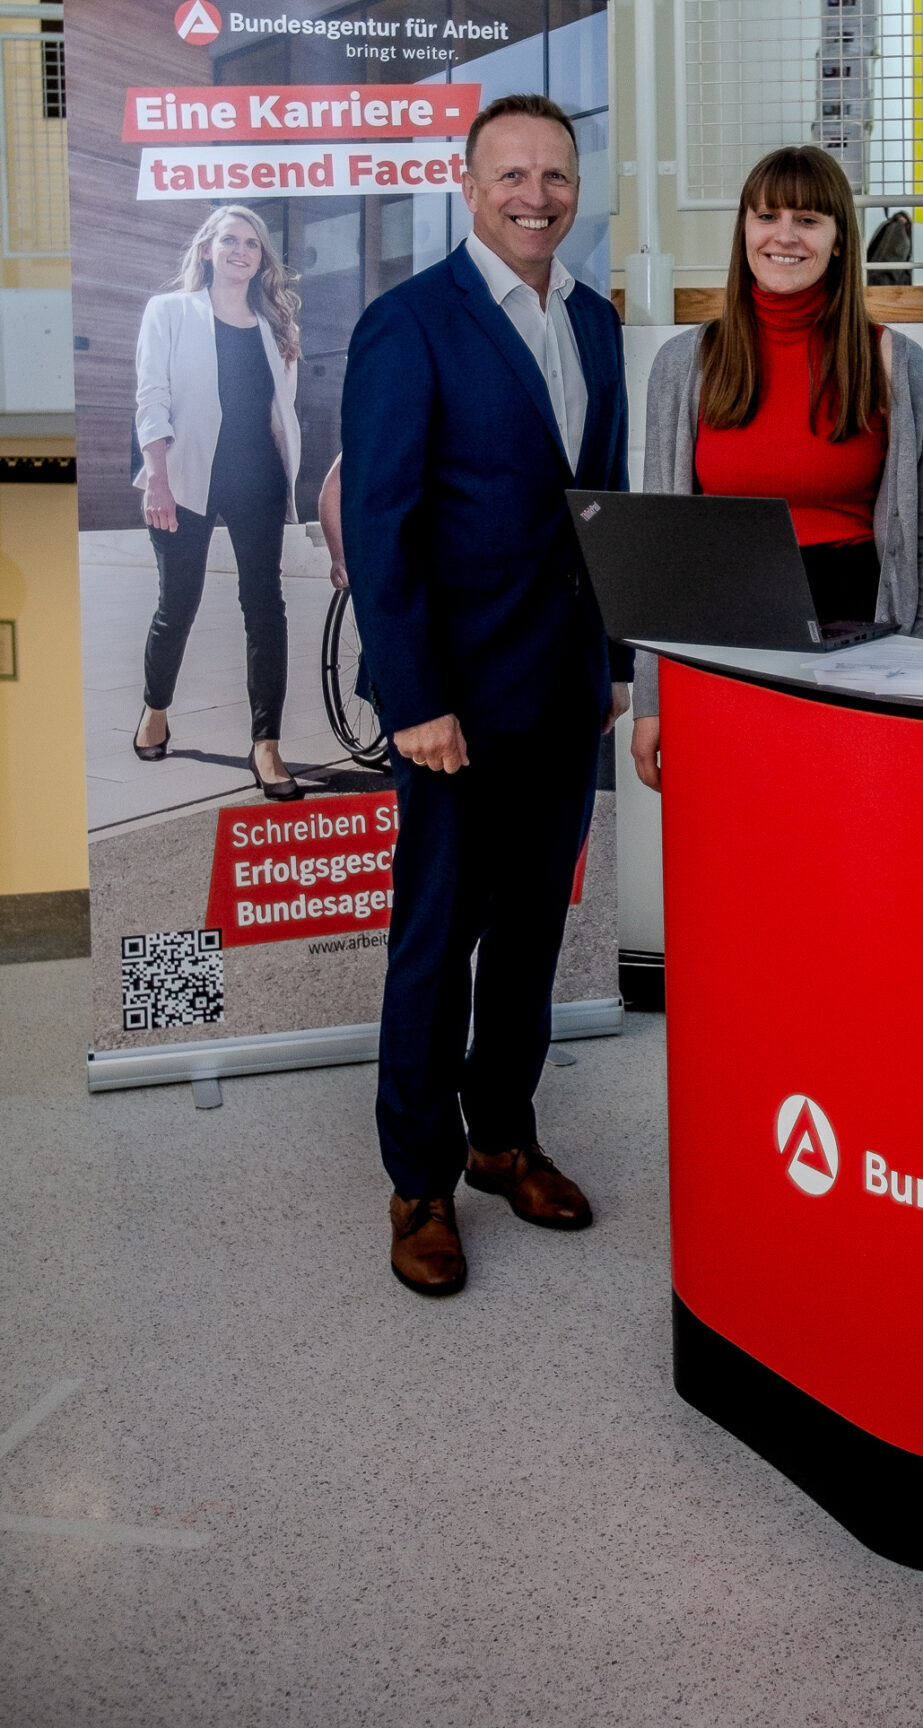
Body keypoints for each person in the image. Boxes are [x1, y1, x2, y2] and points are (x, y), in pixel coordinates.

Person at [339, 93, 630, 1299]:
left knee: (529, 938)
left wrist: (613, 664)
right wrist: (412, 697)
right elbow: (380, 523)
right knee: (436, 940)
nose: (536, 196)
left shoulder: (597, 321)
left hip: (562, 693)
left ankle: (502, 1135)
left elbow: (601, 503)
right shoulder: (410, 323)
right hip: (451, 706)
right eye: (511, 175)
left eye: (555, 176)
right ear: (468, 187)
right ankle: (419, 1178)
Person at [630, 143, 923, 792]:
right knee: (733, 844)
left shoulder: (896, 364)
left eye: (807, 219)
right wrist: (651, 698)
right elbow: (659, 554)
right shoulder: (685, 364)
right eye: (766, 216)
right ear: (743, 229)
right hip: (721, 640)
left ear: (837, 240)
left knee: (846, 838)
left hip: (860, 639)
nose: (783, 236)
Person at [132, 205, 304, 802]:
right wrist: (156, 478)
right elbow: (151, 396)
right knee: (177, 602)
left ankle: (267, 744)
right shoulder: (170, 311)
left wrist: (290, 485)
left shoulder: (274, 326)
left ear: (262, 260)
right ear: (207, 249)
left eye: (252, 244)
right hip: (184, 476)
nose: (241, 251)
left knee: (265, 607)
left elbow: (280, 416)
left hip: (255, 476)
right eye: (229, 241)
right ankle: (156, 708)